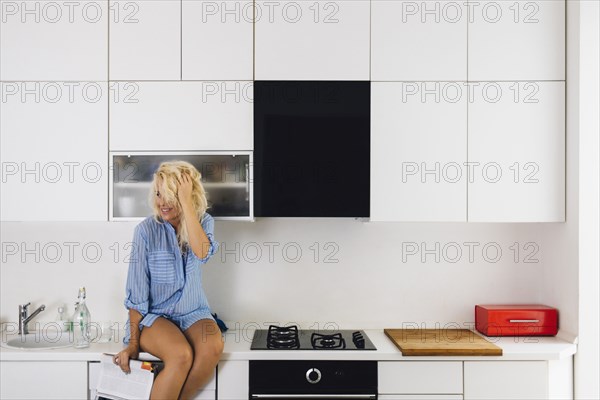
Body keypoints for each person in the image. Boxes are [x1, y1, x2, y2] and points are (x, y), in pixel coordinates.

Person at [113, 161, 223, 400]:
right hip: (154, 317)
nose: (161, 203)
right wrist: (132, 344)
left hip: (193, 311)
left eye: (170, 195)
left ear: (187, 196)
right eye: (159, 194)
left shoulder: (203, 222)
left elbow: (203, 253)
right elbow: (137, 292)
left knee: (212, 347)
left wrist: (186, 204)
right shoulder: (145, 231)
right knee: (181, 355)